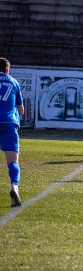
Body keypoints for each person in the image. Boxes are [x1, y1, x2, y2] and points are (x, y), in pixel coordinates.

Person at [0, 58, 24, 207]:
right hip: (9, 123)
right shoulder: (14, 82)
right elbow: (21, 110)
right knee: (13, 162)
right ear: (7, 69)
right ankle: (14, 186)